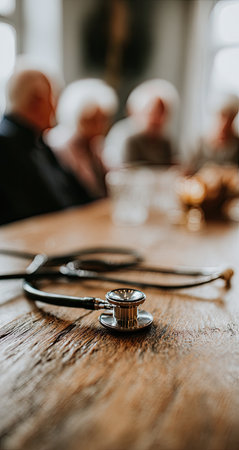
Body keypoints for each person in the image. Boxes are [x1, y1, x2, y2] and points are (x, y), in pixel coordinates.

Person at [0, 69, 91, 225]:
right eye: (53, 97)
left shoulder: (37, 139)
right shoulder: (5, 144)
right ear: (37, 100)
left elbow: (78, 195)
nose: (55, 108)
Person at [48, 79, 118, 200]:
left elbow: (113, 176)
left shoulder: (96, 145)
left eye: (103, 120)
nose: (98, 127)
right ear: (75, 116)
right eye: (91, 120)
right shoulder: (59, 145)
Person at [104, 79, 179, 168]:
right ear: (135, 112)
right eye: (153, 113)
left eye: (162, 113)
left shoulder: (165, 140)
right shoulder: (124, 136)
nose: (158, 119)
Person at [189, 93, 239, 172]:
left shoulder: (236, 144)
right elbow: (188, 171)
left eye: (230, 118)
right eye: (223, 115)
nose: (225, 123)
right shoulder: (199, 143)